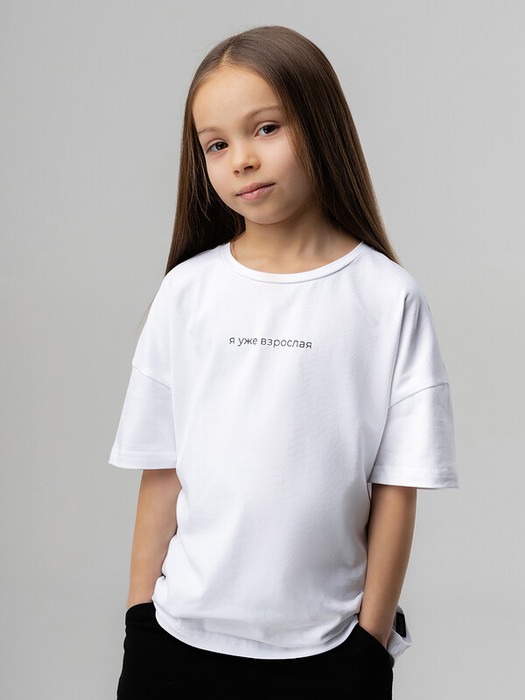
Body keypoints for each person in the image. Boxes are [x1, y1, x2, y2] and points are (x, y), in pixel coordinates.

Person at [108, 25, 458, 699]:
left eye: (265, 129)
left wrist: (369, 645)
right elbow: (161, 469)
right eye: (216, 144)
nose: (241, 159)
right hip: (177, 641)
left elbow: (396, 487)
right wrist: (138, 624)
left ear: (320, 126)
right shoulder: (186, 292)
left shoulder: (387, 297)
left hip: (329, 654)